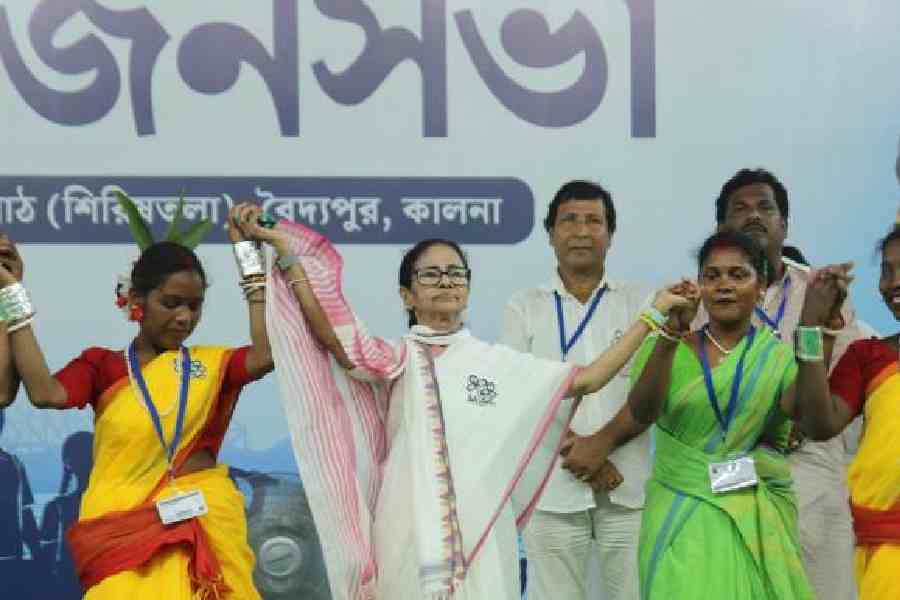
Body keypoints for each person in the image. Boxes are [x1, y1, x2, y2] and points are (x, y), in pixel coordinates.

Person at [242, 211, 690, 600]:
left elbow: (589, 378)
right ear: (406, 295)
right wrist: (284, 254)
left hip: (481, 533)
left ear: (469, 289)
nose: (446, 282)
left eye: (456, 273)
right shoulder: (396, 359)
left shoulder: (497, 365)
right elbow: (333, 337)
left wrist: (653, 315)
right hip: (405, 528)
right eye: (430, 274)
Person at [0, 201, 274, 598]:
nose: (184, 317)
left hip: (202, 533)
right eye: (171, 303)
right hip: (121, 539)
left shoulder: (212, 366)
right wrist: (12, 292)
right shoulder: (102, 366)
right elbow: (44, 394)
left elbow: (266, 354)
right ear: (137, 301)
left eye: (194, 307)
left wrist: (249, 259)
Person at [593, 230, 852, 599]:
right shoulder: (670, 346)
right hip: (677, 515)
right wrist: (670, 333)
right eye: (712, 276)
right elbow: (643, 410)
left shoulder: (773, 356)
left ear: (761, 287)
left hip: (750, 516)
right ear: (698, 287)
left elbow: (809, 419)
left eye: (738, 275)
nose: (724, 286)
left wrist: (812, 327)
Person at [698, 168, 863, 600]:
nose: (754, 216)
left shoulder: (821, 290)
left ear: (784, 225)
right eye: (741, 209)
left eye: (765, 208)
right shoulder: (703, 298)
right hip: (734, 470)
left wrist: (805, 420)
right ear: (721, 228)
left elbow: (848, 383)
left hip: (810, 471)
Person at [501, 181, 649, 600]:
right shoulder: (524, 306)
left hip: (627, 486)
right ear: (550, 233)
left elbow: (650, 395)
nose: (581, 231)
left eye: (593, 221)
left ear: (610, 234)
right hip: (550, 486)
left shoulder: (641, 304)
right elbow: (520, 398)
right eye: (569, 221)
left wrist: (601, 446)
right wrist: (579, 452)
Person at [791, 218, 900, 598]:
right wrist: (812, 325)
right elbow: (818, 424)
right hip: (878, 558)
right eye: (887, 271)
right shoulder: (867, 355)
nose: (894, 283)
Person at [39, 431, 94, 597]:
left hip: (66, 586)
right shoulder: (115, 505)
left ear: (68, 464)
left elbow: (45, 555)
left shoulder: (56, 508)